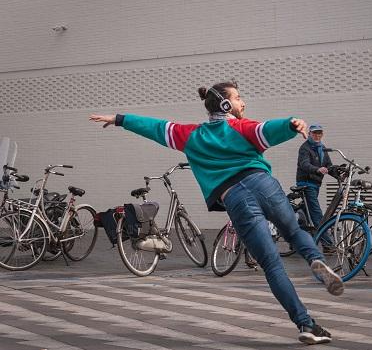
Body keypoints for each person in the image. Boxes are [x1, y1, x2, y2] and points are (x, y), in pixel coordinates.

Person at [89, 81, 343, 345]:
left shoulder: (191, 135)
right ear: (225, 104)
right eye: (238, 98)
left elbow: (155, 127)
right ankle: (316, 262)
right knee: (293, 231)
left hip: (234, 197)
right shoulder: (240, 127)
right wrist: (292, 123)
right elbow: (266, 129)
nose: (243, 102)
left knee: (270, 264)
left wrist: (119, 119)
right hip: (261, 183)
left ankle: (305, 324)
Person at [296, 124, 334, 248]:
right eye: (315, 133)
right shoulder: (305, 148)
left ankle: (295, 239)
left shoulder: (322, 148)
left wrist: (339, 173)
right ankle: (327, 245)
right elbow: (304, 164)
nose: (317, 135)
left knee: (306, 212)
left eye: (319, 133)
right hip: (306, 184)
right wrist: (318, 169)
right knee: (316, 213)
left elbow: (328, 166)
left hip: (315, 184)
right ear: (310, 134)